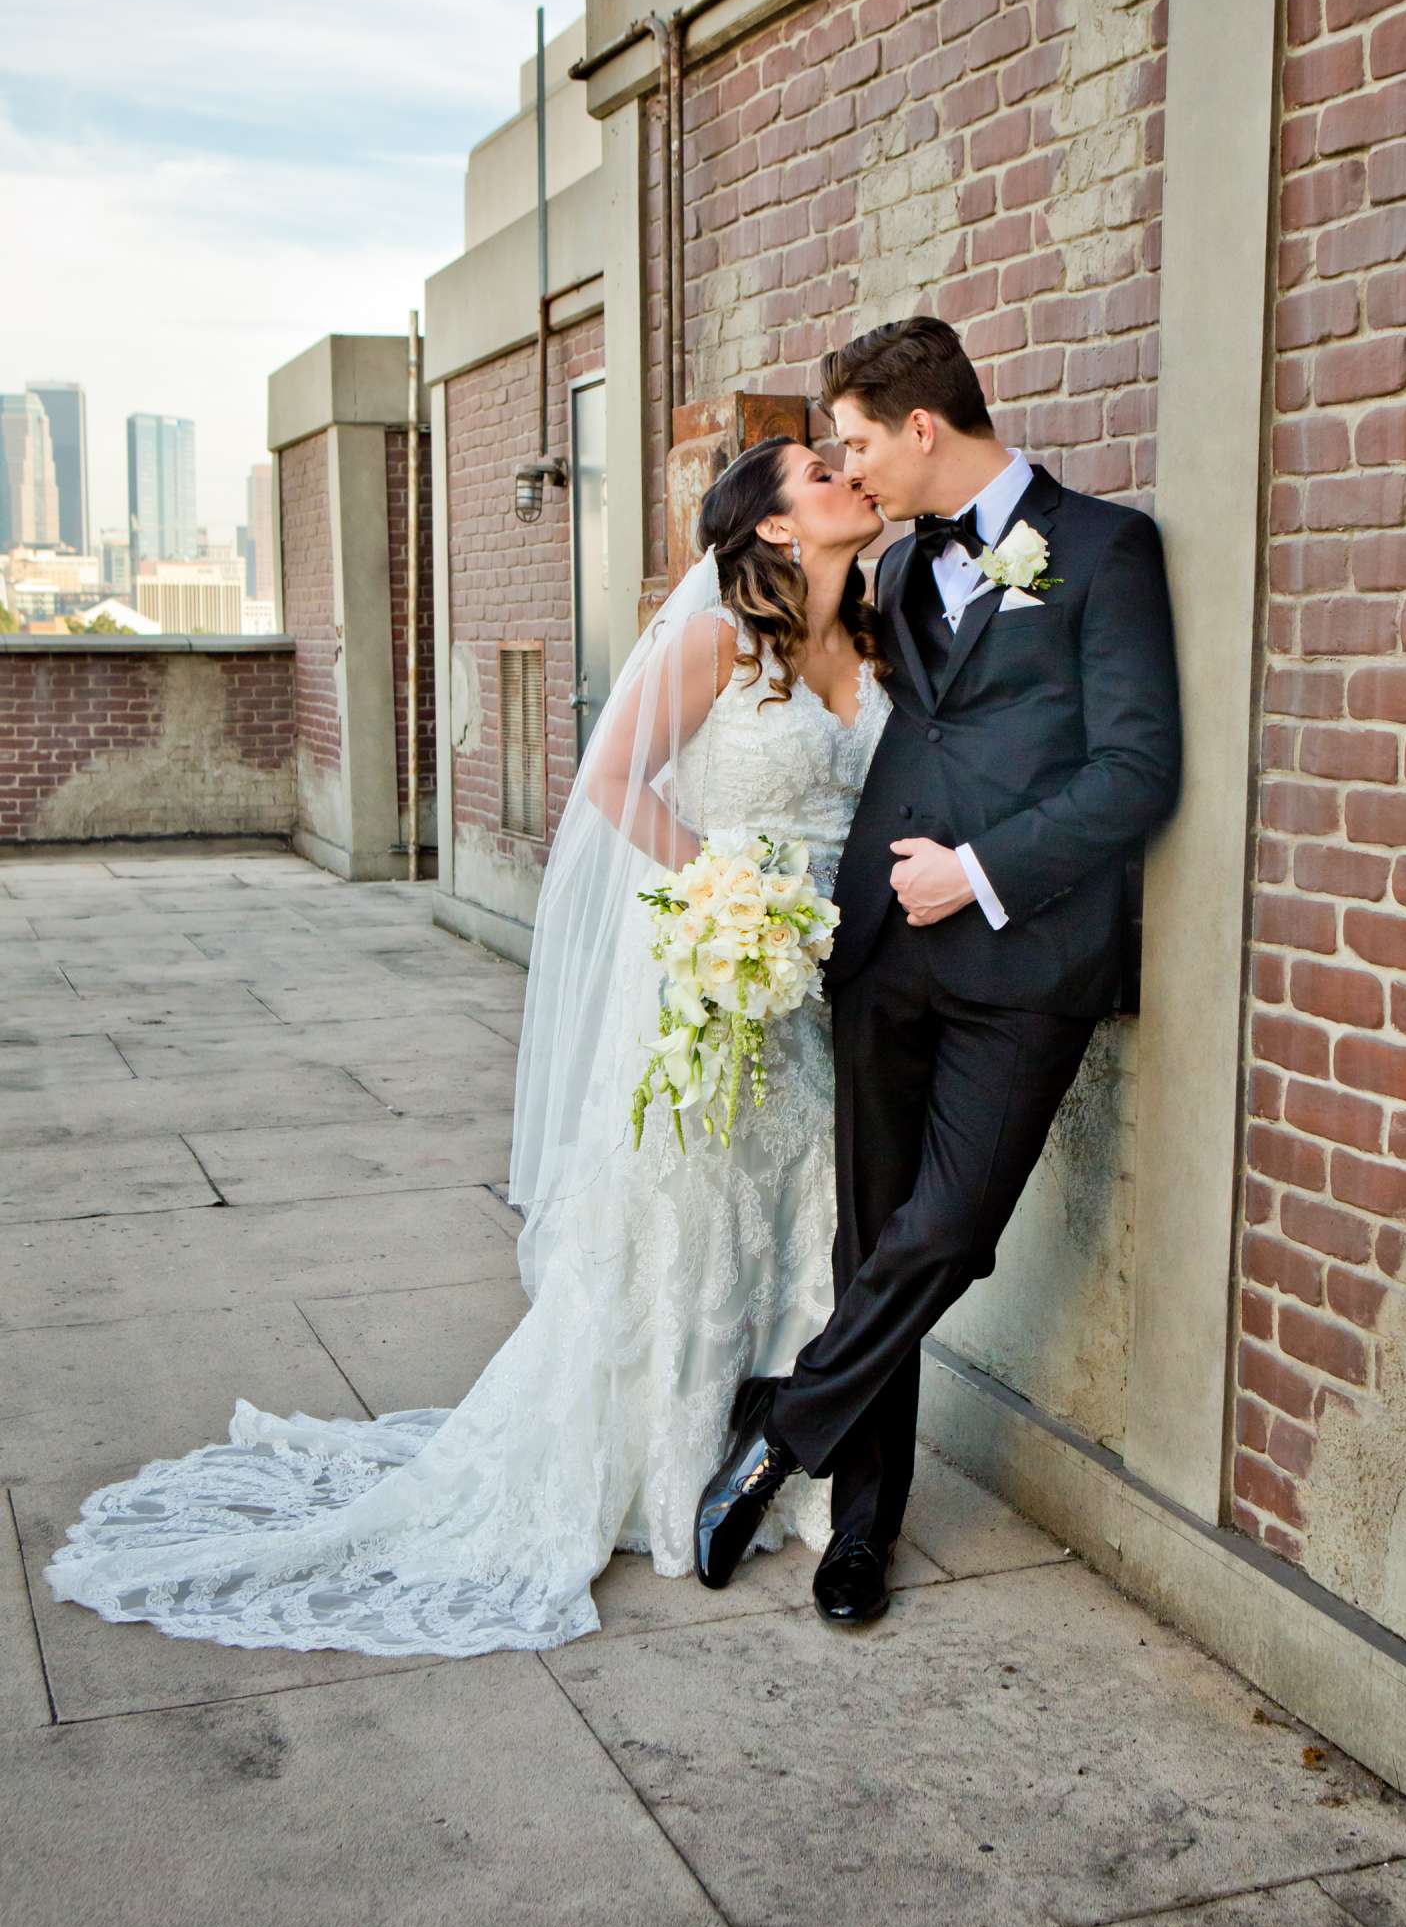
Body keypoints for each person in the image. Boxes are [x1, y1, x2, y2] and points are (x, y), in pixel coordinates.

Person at [44, 438, 890, 1657]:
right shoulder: (717, 642)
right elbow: (613, 785)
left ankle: (780, 1462)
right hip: (727, 964)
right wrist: (728, 906)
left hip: (832, 978)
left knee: (803, 1206)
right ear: (766, 528)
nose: (842, 476)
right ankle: (663, 1463)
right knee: (691, 1214)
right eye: (816, 471)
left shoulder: (870, 634)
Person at [695, 315, 1182, 1625]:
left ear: (922, 428)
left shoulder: (1104, 550)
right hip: (881, 957)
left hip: (1030, 965)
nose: (852, 466)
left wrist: (974, 872)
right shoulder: (900, 571)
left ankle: (784, 1424)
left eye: (856, 441)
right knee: (871, 1247)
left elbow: (1138, 770)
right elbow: (846, 706)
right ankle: (860, 1533)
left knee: (947, 1235)